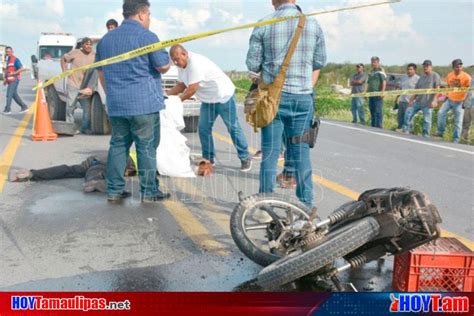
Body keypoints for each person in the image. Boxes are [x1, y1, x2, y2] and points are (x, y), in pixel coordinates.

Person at [246, 0, 326, 208]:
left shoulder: (263, 23)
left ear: (273, 1)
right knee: (301, 152)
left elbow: (252, 65)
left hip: (273, 99)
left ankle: (265, 204)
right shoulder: (313, 24)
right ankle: (306, 206)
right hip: (302, 99)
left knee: (270, 152)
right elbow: (319, 61)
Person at [96, 0, 171, 203]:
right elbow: (163, 66)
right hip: (144, 105)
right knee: (146, 147)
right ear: (141, 14)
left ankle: (114, 190)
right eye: (149, 15)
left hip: (117, 105)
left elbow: (101, 73)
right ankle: (149, 191)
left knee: (118, 145)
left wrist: (112, 94)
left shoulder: (105, 40)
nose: (149, 19)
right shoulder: (147, 37)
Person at [168, 44, 252, 172]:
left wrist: (176, 102)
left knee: (233, 127)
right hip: (208, 100)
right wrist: (165, 96)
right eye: (173, 60)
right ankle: (208, 159)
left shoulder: (195, 63)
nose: (176, 63)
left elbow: (191, 89)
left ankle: (245, 157)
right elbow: (181, 86)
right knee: (203, 128)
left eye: (177, 59)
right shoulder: (182, 66)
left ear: (184, 54)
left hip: (223, 96)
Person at [8, 156, 136, 193]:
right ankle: (95, 182)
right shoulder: (132, 158)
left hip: (91, 161)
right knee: (96, 174)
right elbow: (130, 171)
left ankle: (31, 174)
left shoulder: (123, 149)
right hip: (101, 164)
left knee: (67, 170)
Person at [61, 37, 96, 133]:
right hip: (73, 84)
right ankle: (70, 128)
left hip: (85, 87)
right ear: (82, 45)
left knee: (87, 109)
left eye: (90, 44)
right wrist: (64, 71)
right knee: (70, 107)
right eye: (86, 44)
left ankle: (85, 128)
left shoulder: (95, 55)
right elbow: (63, 59)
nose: (89, 46)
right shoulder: (75, 53)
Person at [436, 59, 472, 143]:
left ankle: (456, 139)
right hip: (449, 99)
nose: (459, 68)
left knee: (458, 121)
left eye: (460, 66)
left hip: (460, 101)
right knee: (440, 113)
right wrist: (446, 97)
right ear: (453, 67)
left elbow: (469, 91)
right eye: (457, 66)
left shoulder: (466, 77)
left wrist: (465, 101)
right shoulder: (449, 75)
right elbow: (448, 87)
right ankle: (440, 132)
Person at [402, 60, 440, 137]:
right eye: (424, 66)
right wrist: (412, 100)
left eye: (427, 66)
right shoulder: (422, 77)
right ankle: (407, 130)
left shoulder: (435, 75)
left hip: (428, 102)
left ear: (431, 67)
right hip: (418, 101)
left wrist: (434, 100)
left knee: (427, 120)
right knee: (408, 112)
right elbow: (417, 89)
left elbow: (437, 89)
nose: (425, 67)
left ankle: (425, 135)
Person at [2, 46, 29, 115]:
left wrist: (14, 73)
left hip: (15, 79)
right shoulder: (8, 60)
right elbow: (7, 70)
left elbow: (21, 68)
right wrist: (5, 79)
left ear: (12, 52)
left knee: (9, 94)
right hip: (10, 80)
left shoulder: (15, 59)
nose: (8, 53)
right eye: (6, 52)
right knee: (14, 95)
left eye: (9, 51)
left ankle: (7, 109)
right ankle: (24, 106)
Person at [395, 63, 419, 131]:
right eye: (408, 69)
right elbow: (400, 88)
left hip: (411, 102)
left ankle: (409, 131)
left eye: (411, 69)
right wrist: (397, 98)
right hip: (402, 101)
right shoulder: (404, 77)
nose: (409, 71)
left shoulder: (417, 79)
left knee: (408, 118)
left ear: (415, 70)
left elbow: (418, 91)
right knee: (400, 117)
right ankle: (400, 129)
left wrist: (413, 100)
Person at [367, 56, 387, 128]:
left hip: (378, 94)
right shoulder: (371, 71)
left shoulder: (380, 70)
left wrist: (382, 92)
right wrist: (366, 93)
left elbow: (384, 82)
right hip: (371, 94)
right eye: (372, 62)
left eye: (374, 62)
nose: (373, 63)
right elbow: (369, 83)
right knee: (372, 110)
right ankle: (373, 126)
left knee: (378, 111)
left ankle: (379, 127)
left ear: (378, 62)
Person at [461, 78, 474, 143]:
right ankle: (464, 139)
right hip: (468, 104)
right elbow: (467, 92)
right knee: (466, 123)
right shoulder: (471, 80)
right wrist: (463, 102)